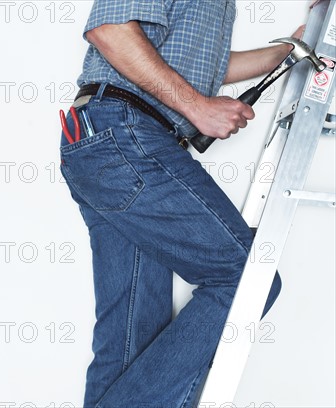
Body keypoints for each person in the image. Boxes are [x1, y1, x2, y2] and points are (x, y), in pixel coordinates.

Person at [58, 1, 304, 407]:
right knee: (247, 279)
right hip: (125, 136)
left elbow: (192, 66)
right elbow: (112, 31)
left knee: (130, 344)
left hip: (110, 144)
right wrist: (198, 108)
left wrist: (285, 53)